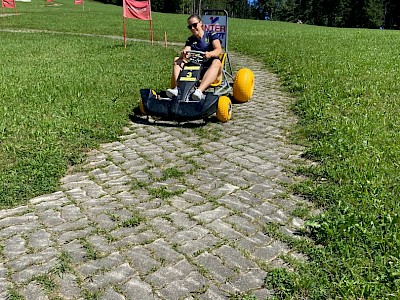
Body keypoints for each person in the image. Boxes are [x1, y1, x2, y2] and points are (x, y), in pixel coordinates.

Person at [166, 14, 223, 101]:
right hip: (195, 69)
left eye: (194, 25)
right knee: (177, 60)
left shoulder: (211, 35)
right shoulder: (191, 40)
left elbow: (219, 50)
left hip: (212, 69)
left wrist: (210, 54)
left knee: (217, 62)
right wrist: (184, 53)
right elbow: (186, 50)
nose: (192, 28)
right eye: (190, 27)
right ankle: (178, 89)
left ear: (200, 23)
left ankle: (199, 91)